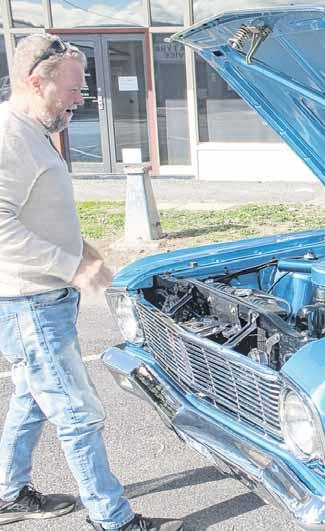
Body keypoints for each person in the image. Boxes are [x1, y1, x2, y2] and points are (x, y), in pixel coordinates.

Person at [0, 34, 183, 531]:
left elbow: (37, 213)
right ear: (36, 83)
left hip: (40, 299)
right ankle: (112, 519)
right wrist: (73, 266)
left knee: (31, 398)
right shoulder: (10, 137)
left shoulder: (32, 130)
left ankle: (9, 493)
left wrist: (86, 253)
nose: (81, 99)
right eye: (73, 89)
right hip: (31, 303)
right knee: (76, 412)